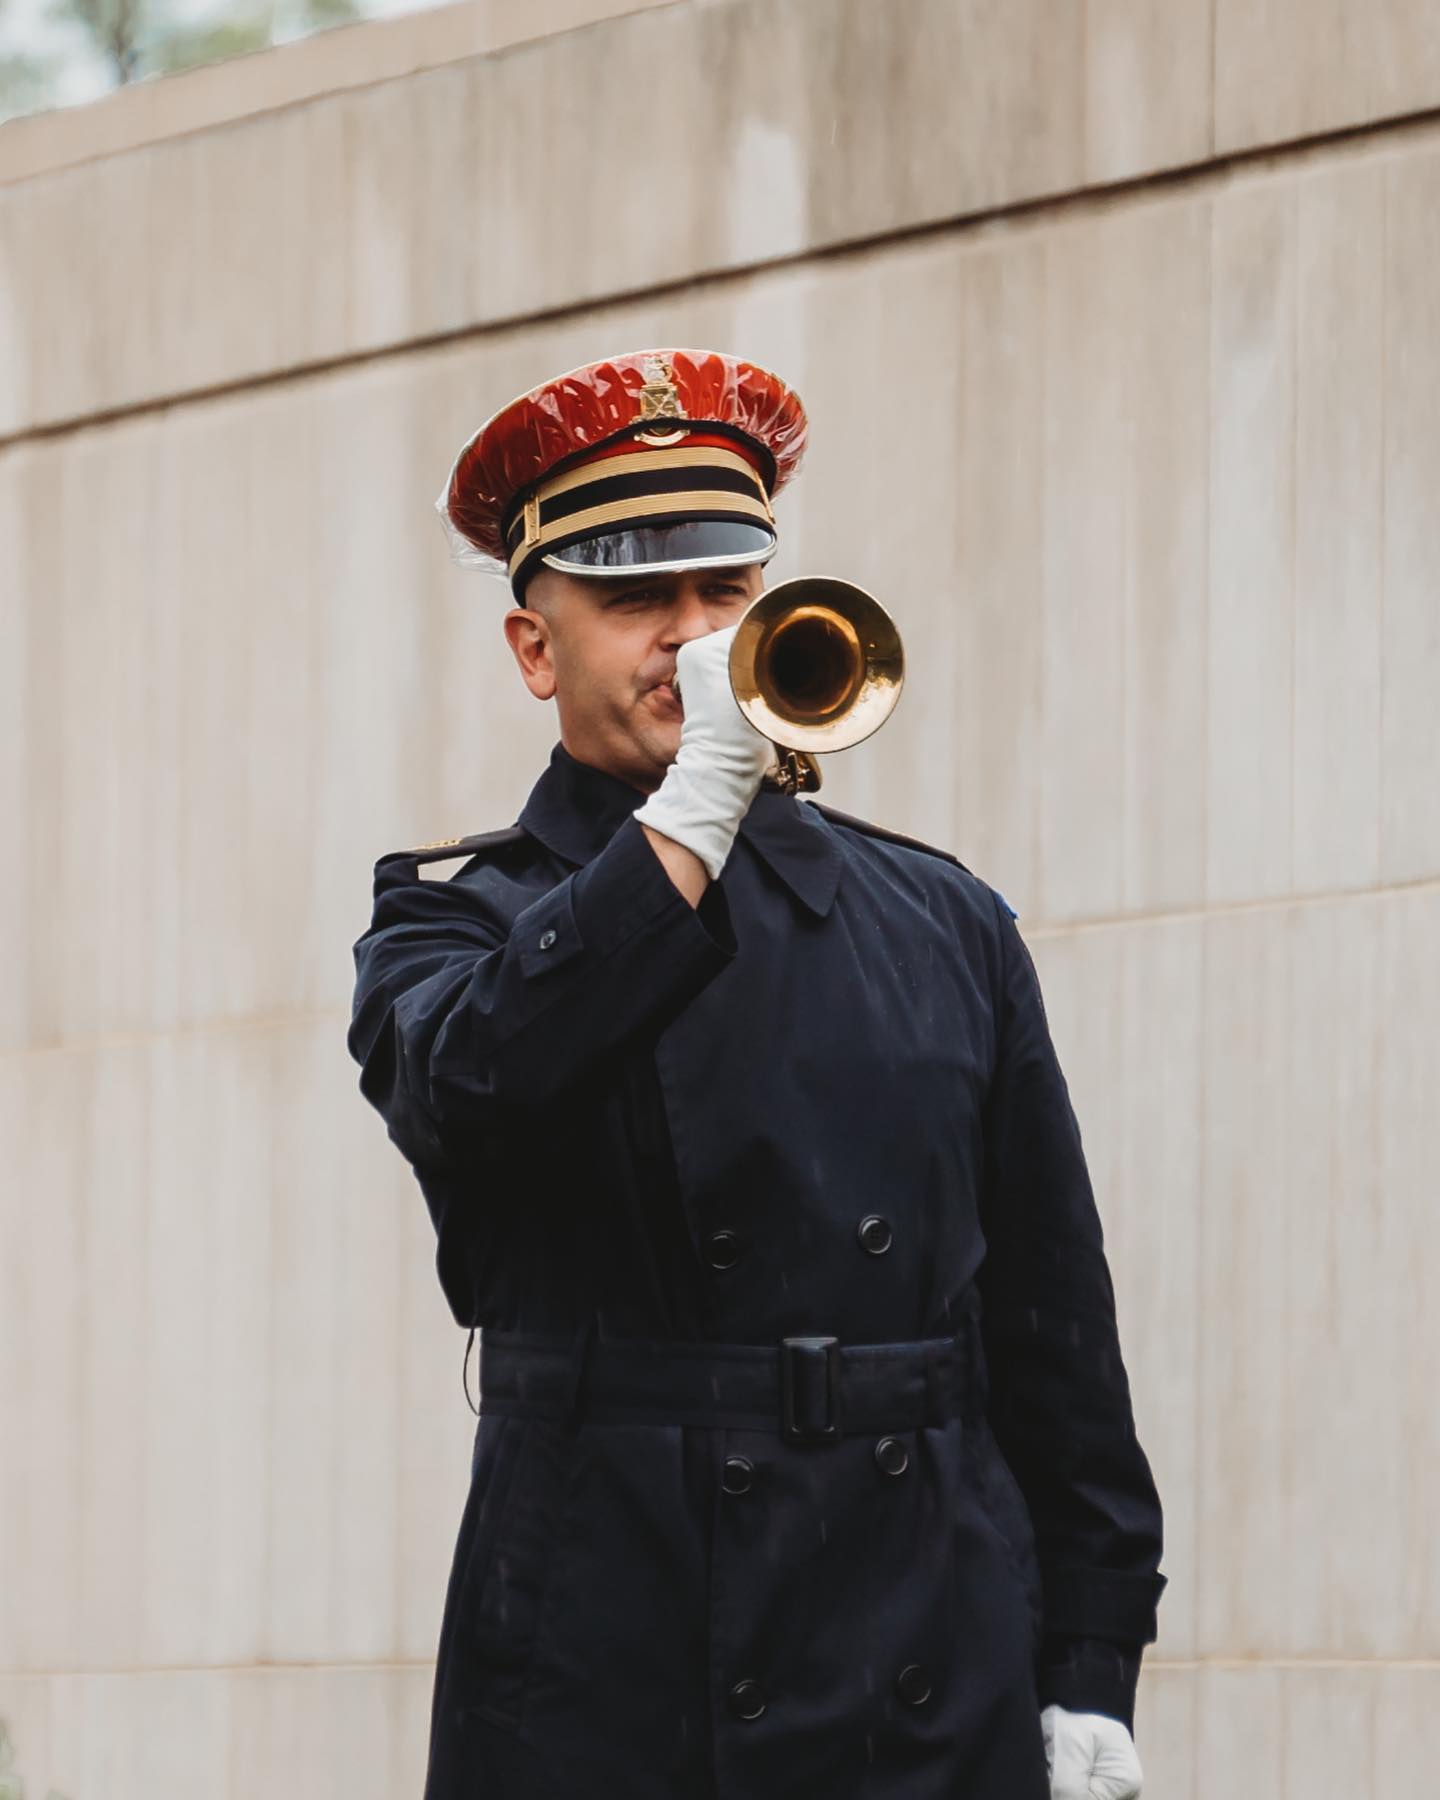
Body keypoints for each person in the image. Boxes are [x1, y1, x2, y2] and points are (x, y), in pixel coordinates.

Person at [347, 349, 1166, 1800]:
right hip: (619, 1658)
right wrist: (697, 811)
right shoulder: (452, 916)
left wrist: (1091, 1672)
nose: (695, 636)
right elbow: (471, 1084)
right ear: (538, 648)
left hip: (923, 1652)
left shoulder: (945, 923)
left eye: (725, 591)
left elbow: (1054, 1332)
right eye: (636, 600)